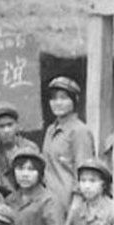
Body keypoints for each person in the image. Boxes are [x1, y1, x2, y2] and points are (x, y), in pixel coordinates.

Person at [41, 77, 95, 211]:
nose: (58, 103)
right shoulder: (51, 130)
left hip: (69, 202)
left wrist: (76, 205)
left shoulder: (79, 131)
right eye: (53, 98)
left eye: (64, 98)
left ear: (74, 100)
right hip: (49, 201)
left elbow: (84, 171)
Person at [0, 102, 39, 198]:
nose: (6, 130)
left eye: (10, 125)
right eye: (1, 126)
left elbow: (36, 182)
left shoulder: (30, 147)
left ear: (17, 125)